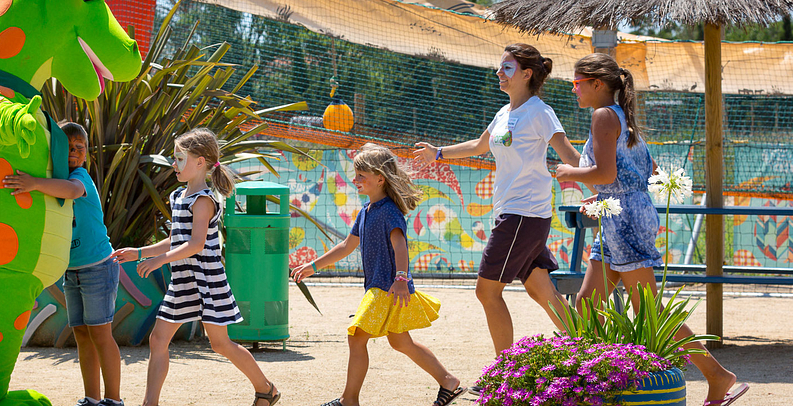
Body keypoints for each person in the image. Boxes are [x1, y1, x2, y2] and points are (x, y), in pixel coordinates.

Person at [555, 53, 749, 406]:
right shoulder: (622, 117)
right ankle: (593, 381)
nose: (574, 90)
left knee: (650, 310)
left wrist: (570, 174)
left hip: (624, 219)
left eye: (577, 83)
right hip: (621, 215)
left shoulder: (602, 116)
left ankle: (718, 375)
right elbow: (646, 170)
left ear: (597, 84)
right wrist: (603, 198)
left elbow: (605, 174)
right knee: (586, 304)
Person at [414, 44, 581, 369]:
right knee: (540, 290)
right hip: (512, 215)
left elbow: (570, 155)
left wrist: (603, 178)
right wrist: (438, 152)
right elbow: (479, 145)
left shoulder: (539, 112)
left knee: (487, 292)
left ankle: (506, 371)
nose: (498, 72)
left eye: (506, 67)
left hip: (524, 214)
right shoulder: (505, 113)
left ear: (526, 73)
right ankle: (589, 348)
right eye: (499, 67)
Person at [112, 128, 280, 406]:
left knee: (220, 344)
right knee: (158, 339)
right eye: (174, 158)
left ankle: (266, 389)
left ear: (200, 162)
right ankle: (149, 403)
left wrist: (159, 261)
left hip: (206, 281)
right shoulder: (179, 197)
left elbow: (196, 244)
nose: (174, 164)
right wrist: (140, 253)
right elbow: (176, 240)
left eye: (180, 158)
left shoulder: (204, 200)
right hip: (183, 280)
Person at [292, 143, 464, 406]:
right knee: (401, 342)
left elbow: (400, 246)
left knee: (357, 336)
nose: (355, 180)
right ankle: (448, 381)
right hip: (383, 287)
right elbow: (346, 246)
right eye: (356, 174)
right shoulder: (366, 210)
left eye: (361, 175)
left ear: (380, 179)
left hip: (387, 287)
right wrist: (313, 266)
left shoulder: (389, 212)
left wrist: (401, 279)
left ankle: (349, 400)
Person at [3, 122, 124, 406]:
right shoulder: (52, 180)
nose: (72, 152)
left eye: (78, 148)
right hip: (73, 271)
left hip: (98, 267)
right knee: (82, 334)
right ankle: (92, 399)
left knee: (101, 334)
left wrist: (33, 183)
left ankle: (114, 400)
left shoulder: (80, 178)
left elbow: (70, 191)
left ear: (85, 156)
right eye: (66, 147)